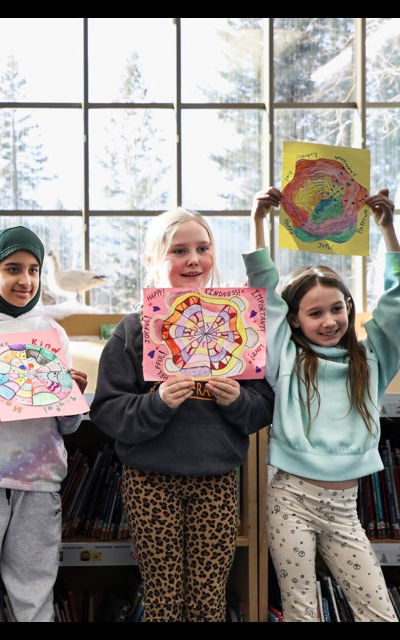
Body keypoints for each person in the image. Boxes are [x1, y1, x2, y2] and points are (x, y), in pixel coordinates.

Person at [88, 208, 275, 622]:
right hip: (150, 481)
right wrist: (157, 404)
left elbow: (263, 405)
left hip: (217, 479)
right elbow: (107, 409)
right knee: (163, 600)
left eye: (203, 248)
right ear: (154, 260)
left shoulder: (240, 319)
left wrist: (236, 401)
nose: (194, 259)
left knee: (209, 602)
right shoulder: (134, 330)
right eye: (180, 250)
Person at [247, 186, 400, 622]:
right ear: (296, 319)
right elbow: (262, 298)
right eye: (314, 313)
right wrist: (259, 223)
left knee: (379, 613)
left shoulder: (371, 360)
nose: (329, 321)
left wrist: (387, 230)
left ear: (349, 308)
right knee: (303, 613)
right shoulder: (285, 355)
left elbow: (399, 306)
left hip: (344, 507)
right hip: (289, 499)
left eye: (336, 309)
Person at [0, 226, 88, 622]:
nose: (25, 280)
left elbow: (68, 426)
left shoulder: (51, 331)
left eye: (34, 269)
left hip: (40, 481)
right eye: (13, 269)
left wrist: (70, 396)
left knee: (35, 590)